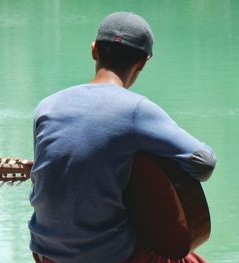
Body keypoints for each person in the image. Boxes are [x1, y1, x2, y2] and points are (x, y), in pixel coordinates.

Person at [28, 12, 216, 263]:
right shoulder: (136, 110)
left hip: (45, 254)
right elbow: (203, 162)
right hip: (108, 257)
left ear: (94, 51)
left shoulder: (47, 107)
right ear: (143, 61)